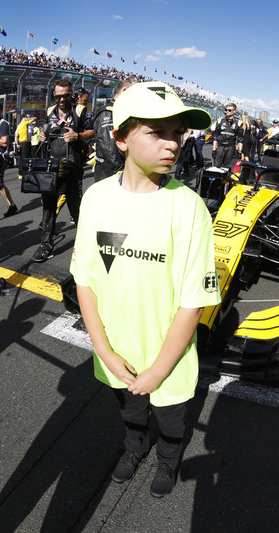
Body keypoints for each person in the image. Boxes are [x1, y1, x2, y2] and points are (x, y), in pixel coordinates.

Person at [70, 81, 220, 498]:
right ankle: (133, 448)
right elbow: (85, 280)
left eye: (178, 133)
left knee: (172, 424)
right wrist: (105, 351)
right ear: (120, 138)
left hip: (167, 363)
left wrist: (157, 371)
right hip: (116, 357)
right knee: (130, 414)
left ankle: (168, 459)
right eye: (157, 132)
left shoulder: (188, 207)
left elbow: (193, 303)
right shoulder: (96, 197)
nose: (172, 143)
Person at [34, 79, 94, 262]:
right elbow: (44, 131)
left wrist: (78, 136)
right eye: (58, 96)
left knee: (76, 208)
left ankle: (86, 244)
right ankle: (46, 246)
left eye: (65, 95)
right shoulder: (50, 112)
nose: (62, 99)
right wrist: (42, 135)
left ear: (71, 95)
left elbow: (94, 131)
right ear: (54, 95)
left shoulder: (80, 111)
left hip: (73, 167)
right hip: (52, 168)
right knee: (48, 208)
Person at [92, 79, 134, 182]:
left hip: (117, 172)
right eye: (134, 92)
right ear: (124, 91)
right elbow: (109, 147)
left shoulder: (119, 110)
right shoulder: (109, 112)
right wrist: (123, 171)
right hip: (110, 174)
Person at [212, 103, 241, 168]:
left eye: (229, 110)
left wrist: (239, 151)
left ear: (234, 111)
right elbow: (215, 135)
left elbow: (240, 139)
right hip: (220, 146)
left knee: (227, 167)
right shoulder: (220, 120)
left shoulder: (238, 122)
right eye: (226, 110)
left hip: (230, 147)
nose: (227, 111)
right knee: (216, 166)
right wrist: (214, 149)